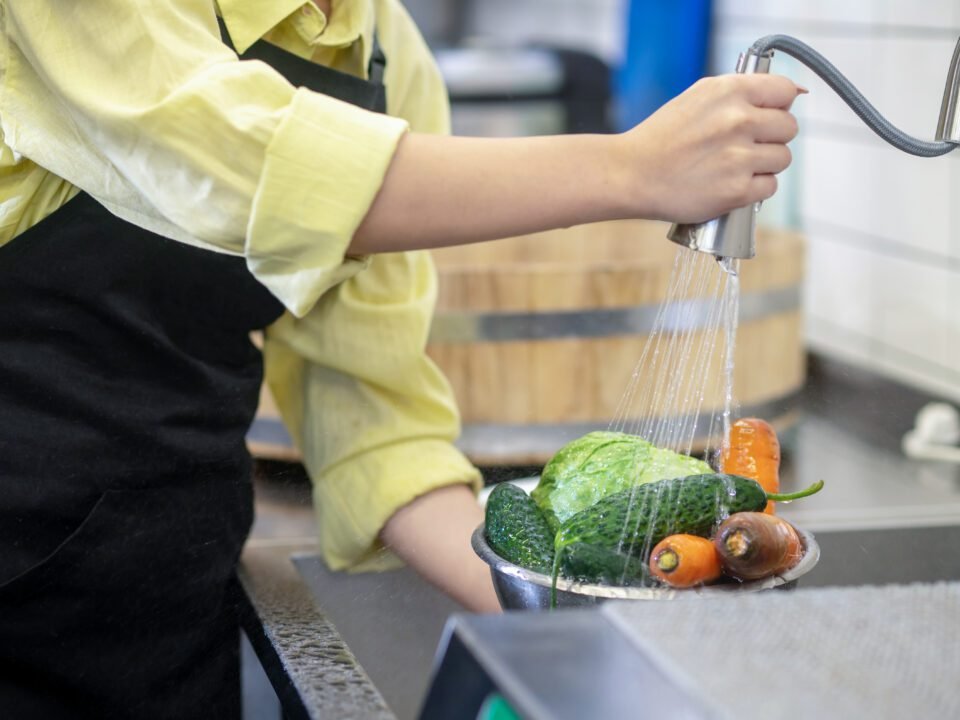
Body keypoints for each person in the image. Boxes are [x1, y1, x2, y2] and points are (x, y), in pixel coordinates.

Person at [0, 0, 801, 717]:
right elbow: (248, 173)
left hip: (164, 581)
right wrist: (633, 169)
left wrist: (583, 621)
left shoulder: (384, 51)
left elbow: (373, 420)